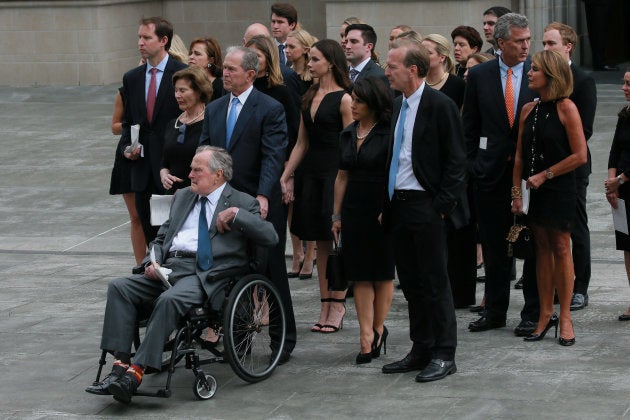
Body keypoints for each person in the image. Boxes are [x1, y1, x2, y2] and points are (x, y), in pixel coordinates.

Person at [85, 146, 279, 403]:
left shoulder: (242, 202)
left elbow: (271, 237)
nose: (190, 175)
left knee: (169, 300)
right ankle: (120, 364)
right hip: (168, 268)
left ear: (218, 174)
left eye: (197, 170)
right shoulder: (184, 197)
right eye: (191, 169)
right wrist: (150, 262)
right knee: (119, 287)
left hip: (205, 274)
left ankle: (137, 371)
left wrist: (237, 215)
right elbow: (161, 237)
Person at [199, 46, 296, 362]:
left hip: (258, 201)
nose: (225, 73)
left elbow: (273, 155)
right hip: (222, 202)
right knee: (232, 271)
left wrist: (264, 195)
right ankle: (238, 342)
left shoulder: (269, 108)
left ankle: (283, 341)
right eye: (224, 68)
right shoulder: (214, 109)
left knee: (270, 270)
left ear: (251, 74)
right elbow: (205, 150)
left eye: (232, 69)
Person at [381, 39, 468, 383]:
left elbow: (456, 161)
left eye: (392, 66)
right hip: (399, 205)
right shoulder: (396, 105)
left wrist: (440, 208)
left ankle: (445, 353)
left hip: (426, 206)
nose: (387, 72)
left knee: (435, 282)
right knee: (412, 283)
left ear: (412, 70)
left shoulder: (440, 105)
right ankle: (422, 347)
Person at [463, 13, 539, 336]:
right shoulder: (479, 75)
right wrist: (472, 167)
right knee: (495, 247)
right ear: (501, 43)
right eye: (519, 41)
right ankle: (494, 310)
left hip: (531, 175)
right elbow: (469, 126)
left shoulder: (540, 71)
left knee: (532, 244)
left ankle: (533, 312)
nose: (525, 47)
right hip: (489, 175)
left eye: (528, 40)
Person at [512, 50, 587, 346]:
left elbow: (580, 155)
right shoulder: (528, 109)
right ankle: (544, 314)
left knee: (560, 247)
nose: (529, 73)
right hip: (532, 190)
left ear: (551, 76)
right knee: (540, 249)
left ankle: (565, 316)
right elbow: (518, 156)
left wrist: (546, 175)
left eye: (535, 70)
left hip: (559, 188)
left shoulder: (567, 107)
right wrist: (516, 194)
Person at [280, 39, 353, 334]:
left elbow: (350, 145)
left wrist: (346, 181)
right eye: (309, 59)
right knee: (320, 242)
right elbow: (301, 142)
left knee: (337, 243)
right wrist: (287, 174)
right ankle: (325, 303)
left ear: (331, 63)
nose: (309, 64)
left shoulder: (346, 99)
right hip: (311, 174)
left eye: (315, 59)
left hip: (335, 174)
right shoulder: (308, 95)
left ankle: (338, 304)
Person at [331, 77, 394, 364]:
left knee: (381, 272)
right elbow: (342, 176)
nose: (352, 105)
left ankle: (378, 329)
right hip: (354, 207)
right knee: (359, 273)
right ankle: (365, 336)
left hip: (381, 205)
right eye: (352, 99)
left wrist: (388, 207)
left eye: (358, 101)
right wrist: (336, 214)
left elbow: (395, 174)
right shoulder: (347, 133)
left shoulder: (388, 132)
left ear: (373, 103)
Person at [542, 22, 597, 312]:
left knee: (575, 227)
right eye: (544, 43)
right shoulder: (542, 77)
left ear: (568, 46)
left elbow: (584, 130)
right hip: (543, 168)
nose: (546, 49)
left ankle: (580, 287)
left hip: (572, 167)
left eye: (551, 43)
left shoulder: (582, 80)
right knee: (547, 229)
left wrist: (557, 156)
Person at [120, 17, 187, 247]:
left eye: (146, 37)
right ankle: (152, 274)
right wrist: (127, 148)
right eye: (139, 37)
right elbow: (129, 122)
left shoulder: (182, 74)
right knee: (149, 231)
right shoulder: (132, 78)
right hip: (142, 169)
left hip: (172, 170)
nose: (140, 42)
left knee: (172, 232)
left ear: (163, 40)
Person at [109, 88, 147, 267]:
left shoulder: (170, 89)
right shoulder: (126, 92)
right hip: (130, 155)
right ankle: (140, 266)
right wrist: (132, 126)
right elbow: (114, 126)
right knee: (136, 216)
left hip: (156, 154)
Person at [160, 67, 212, 193]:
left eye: (183, 90)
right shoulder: (173, 124)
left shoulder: (211, 123)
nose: (177, 95)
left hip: (201, 194)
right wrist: (164, 176)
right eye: (176, 90)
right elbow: (164, 163)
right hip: (174, 195)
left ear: (199, 91)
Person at [606, 69, 630, 320]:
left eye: (628, 84)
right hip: (621, 190)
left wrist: (619, 180)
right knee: (627, 245)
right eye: (624, 83)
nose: (624, 88)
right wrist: (611, 182)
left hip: (624, 183)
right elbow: (614, 150)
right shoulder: (625, 115)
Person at [421, 34, 465, 108]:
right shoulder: (415, 82)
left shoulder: (458, 85)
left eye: (428, 53)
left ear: (442, 57)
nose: (422, 56)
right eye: (421, 52)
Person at [187, 37, 224, 102]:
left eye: (197, 54)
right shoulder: (184, 83)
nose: (191, 57)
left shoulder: (220, 88)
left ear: (210, 61)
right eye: (190, 53)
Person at [286, 28, 318, 95]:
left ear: (305, 50)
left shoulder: (314, 76)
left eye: (292, 47)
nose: (286, 50)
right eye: (286, 46)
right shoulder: (286, 72)